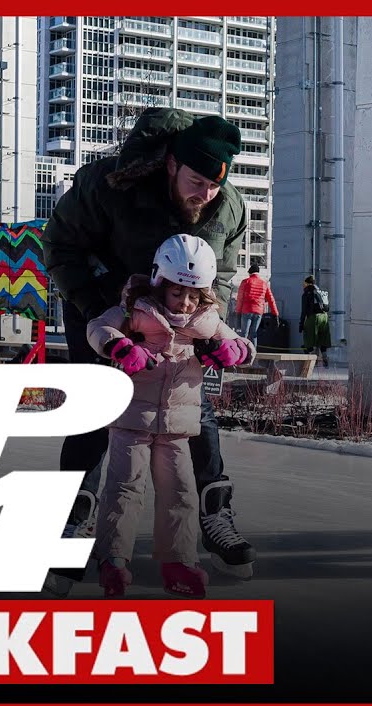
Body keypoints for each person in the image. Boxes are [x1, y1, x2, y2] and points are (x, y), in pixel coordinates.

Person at [40, 110, 258, 595]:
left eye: (214, 185)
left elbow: (222, 275)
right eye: (196, 182)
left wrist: (212, 334)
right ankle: (75, 521)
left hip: (181, 315)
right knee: (98, 407)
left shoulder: (228, 206)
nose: (205, 194)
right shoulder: (111, 185)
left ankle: (214, 513)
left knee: (193, 410)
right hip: (104, 307)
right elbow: (59, 244)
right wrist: (105, 317)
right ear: (171, 164)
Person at [87, 235, 255, 598]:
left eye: (194, 295)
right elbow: (98, 328)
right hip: (131, 419)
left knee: (181, 493)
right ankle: (113, 559)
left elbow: (243, 344)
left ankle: (178, 562)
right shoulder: (136, 310)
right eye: (178, 292)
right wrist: (120, 346)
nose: (185, 302)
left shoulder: (206, 321)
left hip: (178, 427)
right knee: (124, 488)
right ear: (160, 282)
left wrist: (234, 351)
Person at [234, 263, 278, 348]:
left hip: (247, 310)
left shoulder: (246, 282)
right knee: (254, 333)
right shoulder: (264, 283)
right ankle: (253, 352)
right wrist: (275, 313)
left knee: (244, 333)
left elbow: (240, 298)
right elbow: (271, 299)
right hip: (259, 311)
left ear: (250, 272)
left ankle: (243, 351)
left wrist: (238, 312)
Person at [299, 275, 331, 368]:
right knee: (322, 339)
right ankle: (325, 358)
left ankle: (311, 361)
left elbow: (304, 311)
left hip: (314, 317)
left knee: (308, 339)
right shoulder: (320, 292)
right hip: (324, 317)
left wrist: (301, 324)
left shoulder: (307, 294)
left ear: (306, 284)